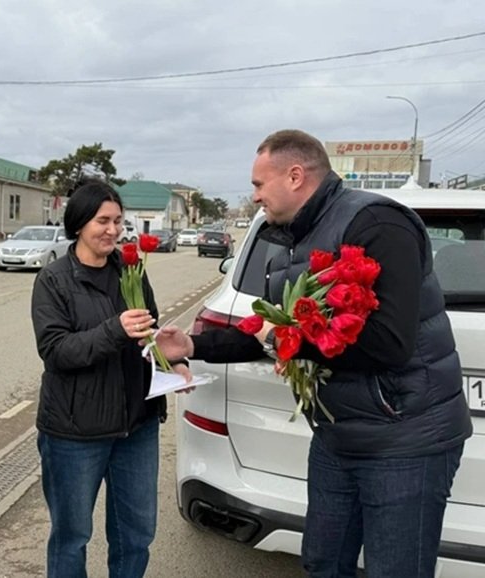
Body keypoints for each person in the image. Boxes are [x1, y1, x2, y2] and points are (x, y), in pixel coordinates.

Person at [156, 129, 472, 578]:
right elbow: (269, 329)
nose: (254, 195)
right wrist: (192, 345)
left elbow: (388, 343)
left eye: (258, 184)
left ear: (295, 176)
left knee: (395, 570)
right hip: (336, 435)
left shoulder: (377, 224)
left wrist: (278, 339)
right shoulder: (291, 241)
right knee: (323, 562)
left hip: (405, 441)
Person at [31, 179, 191, 578]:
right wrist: (114, 330)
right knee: (71, 537)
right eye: (102, 221)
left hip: (136, 427)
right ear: (79, 223)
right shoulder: (54, 279)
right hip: (75, 433)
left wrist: (171, 364)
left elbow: (149, 335)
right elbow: (56, 351)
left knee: (136, 534)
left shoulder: (131, 271)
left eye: (118, 221)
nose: (113, 230)